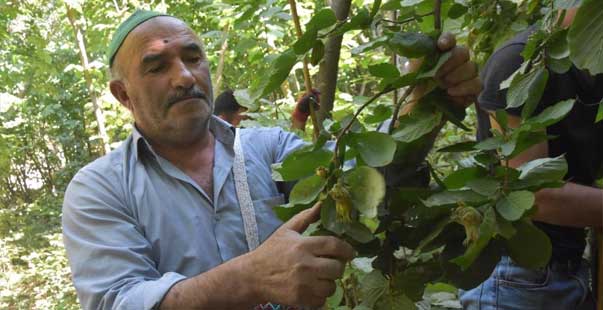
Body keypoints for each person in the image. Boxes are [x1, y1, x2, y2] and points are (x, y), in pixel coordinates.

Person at [61, 10, 480, 310]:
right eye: (156, 66)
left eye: (193, 58)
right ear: (123, 95)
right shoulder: (100, 188)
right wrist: (251, 278)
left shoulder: (269, 150)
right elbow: (118, 300)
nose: (185, 76)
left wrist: (425, 101)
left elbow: (369, 183)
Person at [460, 8, 603, 309]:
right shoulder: (518, 61)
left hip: (570, 270)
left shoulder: (593, 65)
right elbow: (531, 192)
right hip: (515, 279)